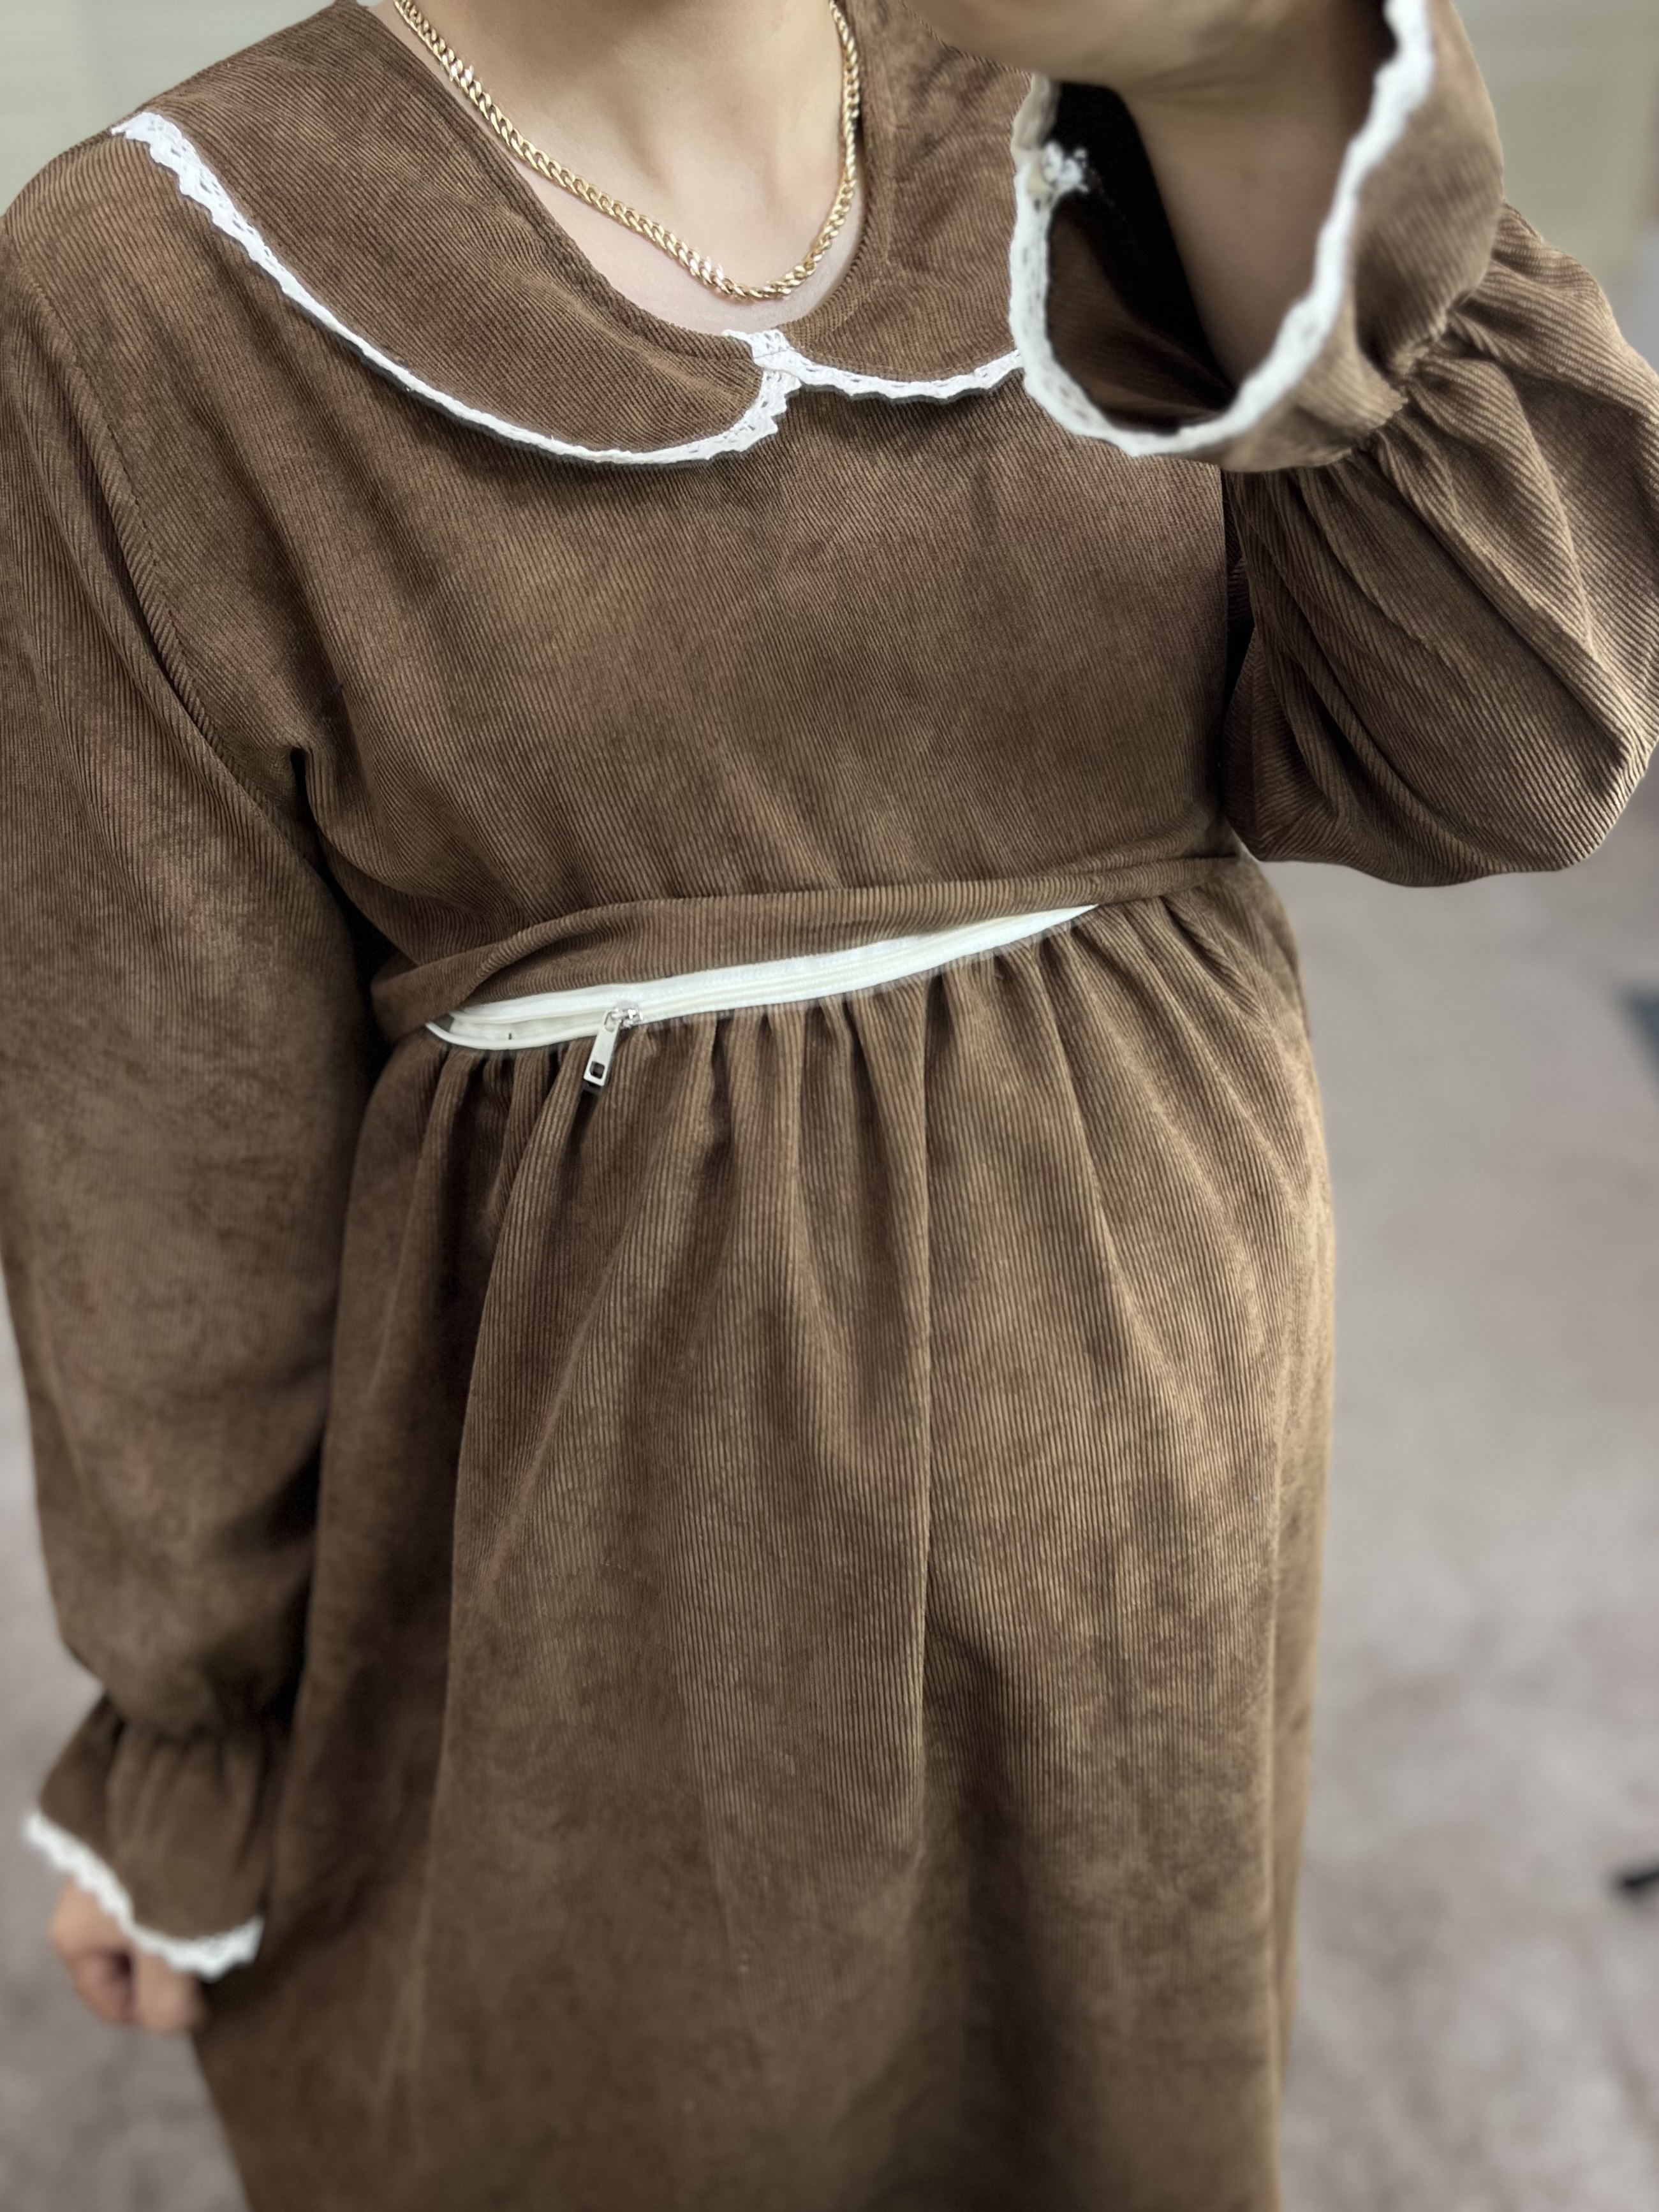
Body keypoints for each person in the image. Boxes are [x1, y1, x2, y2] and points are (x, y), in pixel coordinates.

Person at [1, 0, 1654, 2202]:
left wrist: (1252, 84)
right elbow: (158, 1143)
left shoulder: (1131, 93)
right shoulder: (154, 282)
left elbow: (1522, 750)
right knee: (635, 2104)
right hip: (617, 1513)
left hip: (1161, 1425)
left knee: (1108, 2069)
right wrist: (192, 1730)